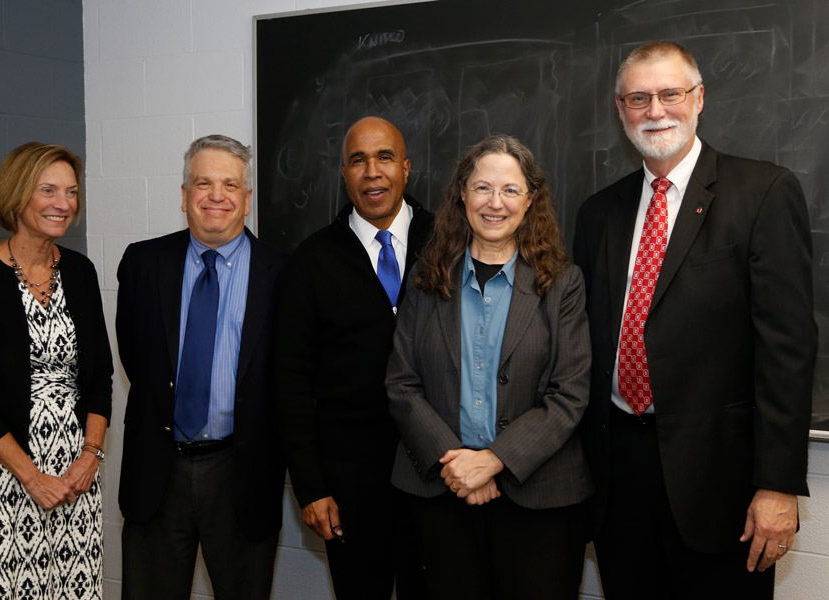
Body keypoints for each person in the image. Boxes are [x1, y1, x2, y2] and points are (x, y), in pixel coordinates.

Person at [573, 40, 816, 599]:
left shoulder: (763, 192)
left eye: (669, 94)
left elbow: (789, 350)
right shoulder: (597, 213)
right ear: (620, 109)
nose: (655, 111)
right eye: (639, 98)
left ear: (699, 98)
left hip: (721, 484)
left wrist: (777, 485)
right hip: (618, 479)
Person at [386, 134, 592, 599]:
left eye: (510, 190)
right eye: (482, 188)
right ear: (462, 193)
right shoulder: (425, 279)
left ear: (530, 199)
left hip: (538, 500)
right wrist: (459, 464)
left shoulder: (563, 284)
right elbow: (401, 383)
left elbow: (570, 392)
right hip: (442, 493)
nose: (494, 203)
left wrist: (494, 461)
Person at [115, 134, 286, 599]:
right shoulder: (142, 263)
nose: (216, 196)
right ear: (184, 196)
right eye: (202, 183)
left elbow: (287, 378)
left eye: (229, 185)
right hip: (158, 471)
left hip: (242, 471)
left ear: (247, 200)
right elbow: (136, 354)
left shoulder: (284, 273)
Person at [0, 142, 112, 599]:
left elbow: (100, 377)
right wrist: (32, 477)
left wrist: (89, 457)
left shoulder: (80, 271)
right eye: (49, 190)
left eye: (72, 192)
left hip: (75, 475)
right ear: (17, 196)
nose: (64, 204)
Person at [276, 116, 433, 599]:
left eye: (384, 157)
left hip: (438, 476)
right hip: (349, 485)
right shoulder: (312, 260)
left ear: (406, 168)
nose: (372, 172)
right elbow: (290, 381)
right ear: (343, 174)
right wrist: (311, 486)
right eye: (358, 160)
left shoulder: (450, 242)